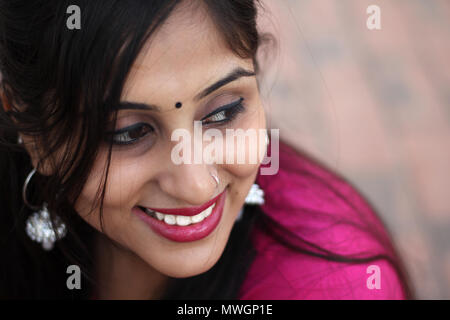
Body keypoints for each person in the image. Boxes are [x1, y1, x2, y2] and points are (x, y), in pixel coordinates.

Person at [0, 0, 412, 299]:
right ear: (32, 130)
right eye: (128, 132)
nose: (197, 186)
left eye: (224, 112)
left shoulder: (332, 287)